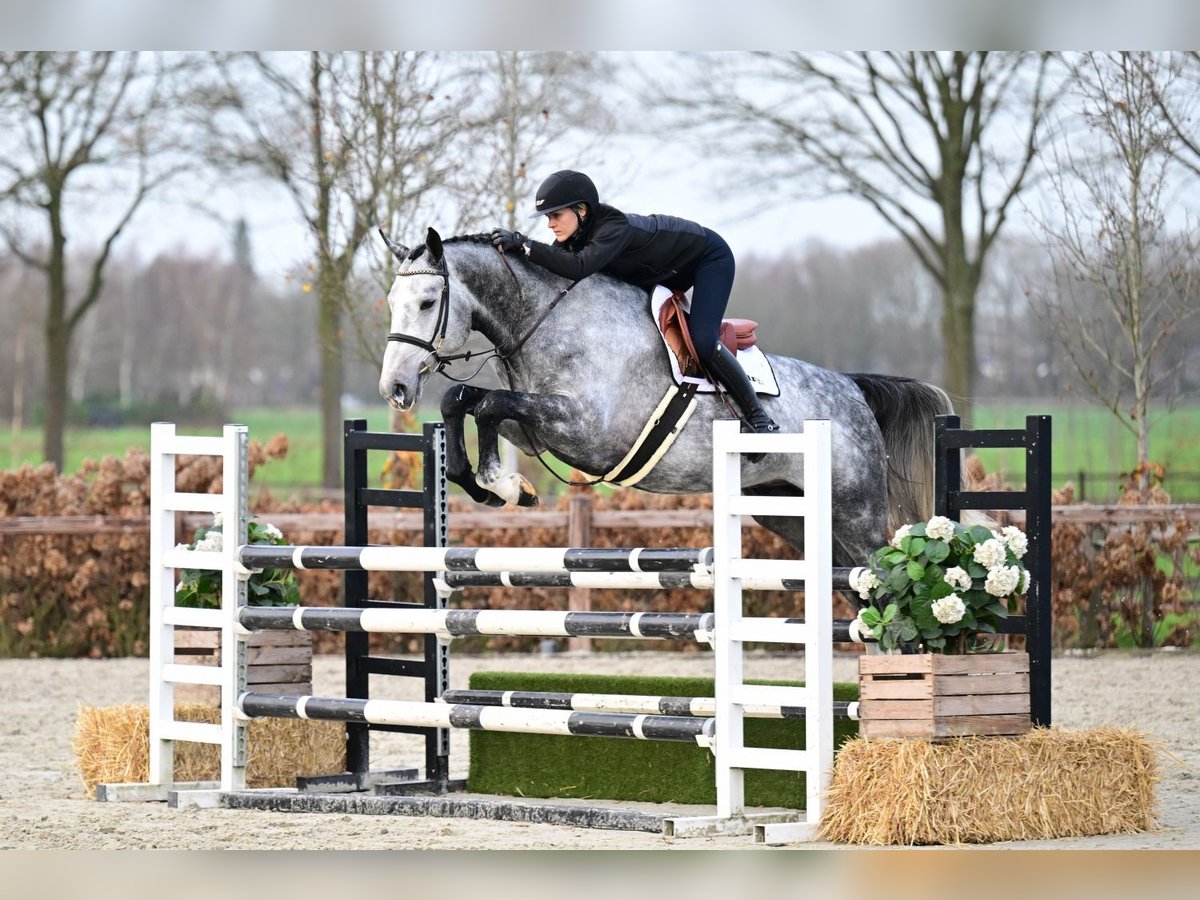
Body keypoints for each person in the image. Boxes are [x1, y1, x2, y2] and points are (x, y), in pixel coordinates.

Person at [490, 170, 779, 435]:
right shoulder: (575, 235)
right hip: (664, 271)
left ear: (582, 210)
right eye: (547, 217)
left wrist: (525, 244)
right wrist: (512, 255)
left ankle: (759, 416)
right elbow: (554, 269)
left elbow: (577, 267)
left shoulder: (612, 227)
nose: (550, 224)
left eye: (556, 215)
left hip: (708, 259)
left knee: (702, 341)